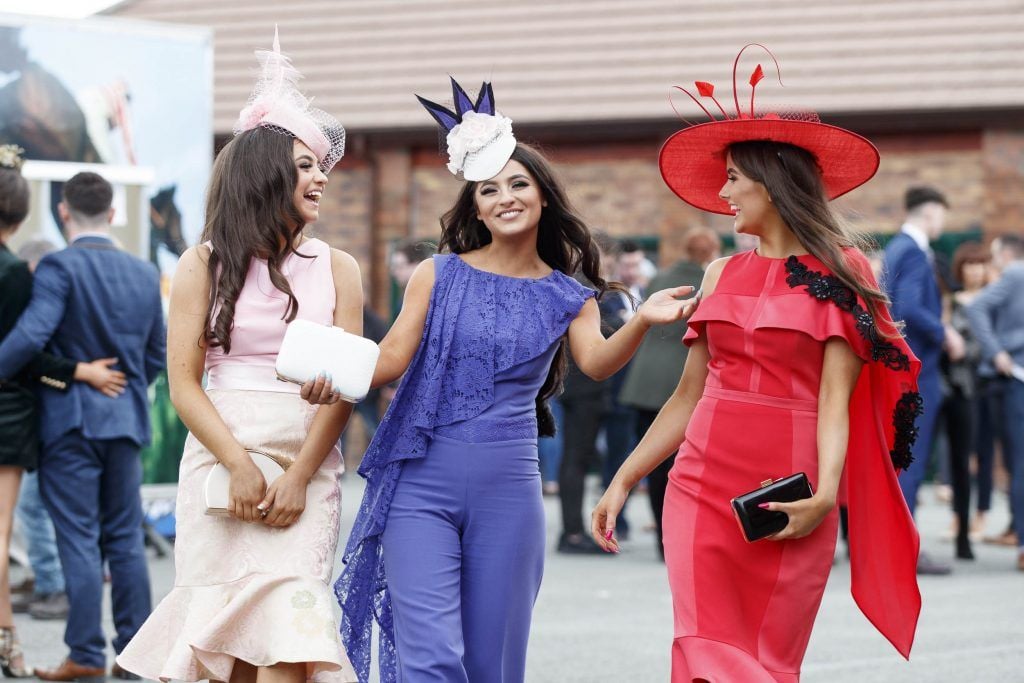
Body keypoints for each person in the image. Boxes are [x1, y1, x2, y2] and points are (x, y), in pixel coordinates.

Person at [334, 78, 697, 683]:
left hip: (509, 489)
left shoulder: (569, 295)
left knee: (493, 664)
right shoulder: (436, 274)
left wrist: (641, 321)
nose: (505, 197)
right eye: (489, 189)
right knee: (430, 660)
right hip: (419, 484)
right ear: (474, 205)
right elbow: (388, 360)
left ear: (543, 197)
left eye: (518, 184)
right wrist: (320, 368)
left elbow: (597, 362)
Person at [593, 46, 922, 680]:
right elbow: (687, 397)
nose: (722, 193)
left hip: (789, 492)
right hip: (699, 484)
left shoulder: (845, 272)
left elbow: (835, 401)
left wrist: (827, 494)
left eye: (734, 180)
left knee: (767, 659)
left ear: (770, 182)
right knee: (700, 646)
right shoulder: (718, 274)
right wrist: (625, 479)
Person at [116, 32, 360, 683]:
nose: (321, 176)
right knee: (218, 630)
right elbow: (183, 383)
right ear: (265, 176)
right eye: (305, 165)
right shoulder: (203, 265)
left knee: (288, 631)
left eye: (320, 164)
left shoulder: (341, 268)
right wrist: (237, 464)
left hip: (306, 463)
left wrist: (299, 476)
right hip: (222, 459)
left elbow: (350, 389)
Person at [0, 160, 164, 682]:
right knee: (122, 538)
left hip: (71, 425)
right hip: (127, 421)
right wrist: (129, 385)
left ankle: (87, 655)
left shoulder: (58, 268)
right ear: (113, 212)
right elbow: (158, 353)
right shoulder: (143, 272)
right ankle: (134, 654)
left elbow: (29, 339)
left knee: (76, 537)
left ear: (63, 211)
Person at [619, 226, 721, 558]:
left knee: (653, 461)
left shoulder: (661, 276)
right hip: (679, 379)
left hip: (645, 379)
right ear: (710, 251)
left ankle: (662, 533)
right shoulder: (709, 282)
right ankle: (674, 535)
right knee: (679, 460)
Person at [883, 185, 965, 575]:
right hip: (918, 373)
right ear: (931, 213)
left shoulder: (896, 248)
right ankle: (905, 551)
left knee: (902, 460)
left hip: (899, 372)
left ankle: (896, 547)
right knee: (910, 462)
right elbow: (910, 308)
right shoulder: (914, 252)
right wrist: (945, 333)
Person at [966, 233, 1024, 571]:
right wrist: (997, 352)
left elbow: (976, 308)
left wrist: (996, 352)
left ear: (1004, 254)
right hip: (1014, 376)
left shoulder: (1014, 273)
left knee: (1019, 462)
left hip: (1014, 377)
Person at [939, 240, 990, 559]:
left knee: (967, 461)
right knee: (950, 458)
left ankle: (967, 533)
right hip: (942, 387)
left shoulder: (989, 302)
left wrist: (957, 345)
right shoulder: (950, 302)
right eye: (969, 264)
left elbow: (978, 347)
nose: (974, 270)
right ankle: (959, 525)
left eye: (979, 263)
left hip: (972, 389)